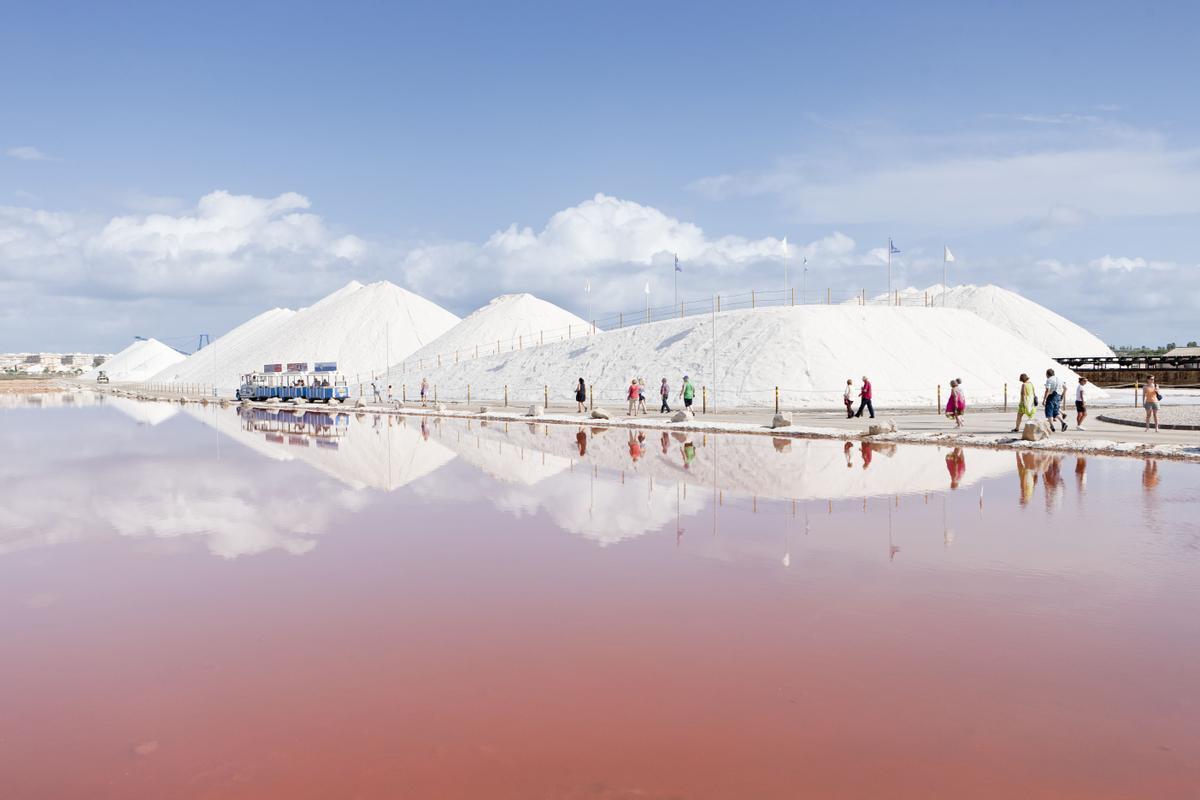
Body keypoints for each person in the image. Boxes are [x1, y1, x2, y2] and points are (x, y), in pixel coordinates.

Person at [1043, 368, 1066, 433]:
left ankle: (1051, 425)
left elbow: (1047, 390)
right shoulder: (1059, 379)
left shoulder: (1049, 380)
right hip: (1058, 396)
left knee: (1049, 411)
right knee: (1055, 411)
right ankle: (1063, 422)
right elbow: (1065, 388)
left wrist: (1044, 399)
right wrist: (1062, 396)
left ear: (1047, 374)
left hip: (1052, 395)